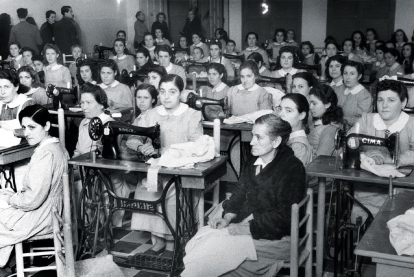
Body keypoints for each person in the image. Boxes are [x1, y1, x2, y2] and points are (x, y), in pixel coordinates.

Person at [182, 114, 306, 277]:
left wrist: (246, 228)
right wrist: (227, 217)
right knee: (200, 240)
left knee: (213, 254)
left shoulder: (292, 168)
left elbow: (284, 218)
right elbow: (241, 191)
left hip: (279, 238)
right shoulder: (255, 159)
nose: (252, 142)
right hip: (256, 226)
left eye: (258, 137)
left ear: (276, 142)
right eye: (252, 135)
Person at [128, 74, 203, 257]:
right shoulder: (151, 114)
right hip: (157, 168)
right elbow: (131, 139)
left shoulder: (192, 115)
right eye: (162, 92)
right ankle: (158, 238)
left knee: (172, 192)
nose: (166, 97)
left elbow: (197, 145)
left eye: (172, 92)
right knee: (146, 190)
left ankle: (173, 240)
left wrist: (164, 150)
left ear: (181, 93)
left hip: (181, 170)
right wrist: (141, 146)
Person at [0, 104, 68, 275]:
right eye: (24, 128)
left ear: (46, 126)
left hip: (43, 216)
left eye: (32, 127)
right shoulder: (55, 147)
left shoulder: (46, 154)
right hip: (51, 211)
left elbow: (31, 200)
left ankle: (7, 266)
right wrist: (12, 196)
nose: (27, 133)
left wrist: (10, 199)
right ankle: (7, 264)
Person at [349, 80, 414, 221]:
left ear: (403, 103)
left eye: (391, 100)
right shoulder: (366, 120)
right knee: (359, 222)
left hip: (403, 189)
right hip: (367, 188)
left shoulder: (411, 124)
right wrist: (367, 157)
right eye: (380, 100)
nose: (384, 105)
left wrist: (390, 159)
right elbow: (350, 142)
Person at [308, 84, 343, 157]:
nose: (310, 107)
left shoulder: (330, 129)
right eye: (310, 103)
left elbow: (319, 160)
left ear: (327, 104)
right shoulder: (315, 121)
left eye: (314, 103)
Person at [278, 93, 312, 166]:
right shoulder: (287, 138)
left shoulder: (299, 145)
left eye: (288, 110)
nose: (281, 114)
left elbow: (292, 176)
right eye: (280, 109)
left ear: (302, 115)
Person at [337, 60, 372, 127]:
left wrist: (339, 119)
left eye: (352, 74)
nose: (347, 77)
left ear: (359, 76)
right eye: (345, 73)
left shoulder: (364, 96)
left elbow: (361, 120)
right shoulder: (341, 90)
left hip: (355, 131)